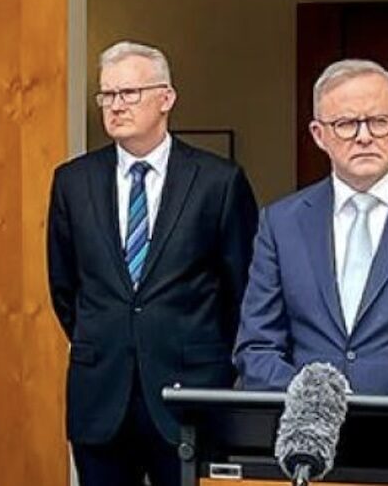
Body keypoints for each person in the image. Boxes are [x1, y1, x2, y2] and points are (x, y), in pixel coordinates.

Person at [47, 41, 258, 486]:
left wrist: (217, 364)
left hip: (189, 393)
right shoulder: (73, 181)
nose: (116, 106)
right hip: (100, 393)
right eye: (107, 95)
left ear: (166, 98)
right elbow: (65, 287)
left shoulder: (218, 182)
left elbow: (242, 291)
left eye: (129, 94)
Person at [234, 59, 388, 396]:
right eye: (346, 124)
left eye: (379, 122)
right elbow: (256, 348)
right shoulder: (281, 223)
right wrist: (315, 407)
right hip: (311, 439)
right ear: (319, 134)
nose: (364, 137)